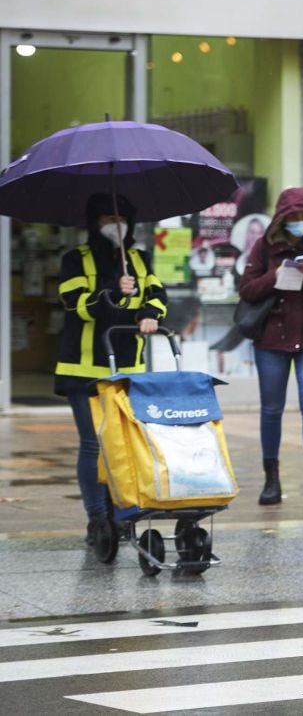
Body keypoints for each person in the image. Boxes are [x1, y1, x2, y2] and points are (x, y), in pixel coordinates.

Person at [55, 193, 167, 545]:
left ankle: (120, 513)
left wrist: (150, 313)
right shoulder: (75, 259)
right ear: (93, 223)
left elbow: (157, 294)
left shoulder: (139, 258)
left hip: (127, 368)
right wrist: (112, 292)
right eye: (107, 219)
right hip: (84, 369)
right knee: (93, 444)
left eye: (121, 219)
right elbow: (77, 305)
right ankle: (97, 518)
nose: (115, 226)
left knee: (121, 444)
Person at [239, 187, 303, 510]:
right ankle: (272, 480)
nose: (300, 222)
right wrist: (274, 275)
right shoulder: (264, 247)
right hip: (272, 337)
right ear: (281, 219)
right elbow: (247, 290)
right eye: (293, 217)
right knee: (271, 409)